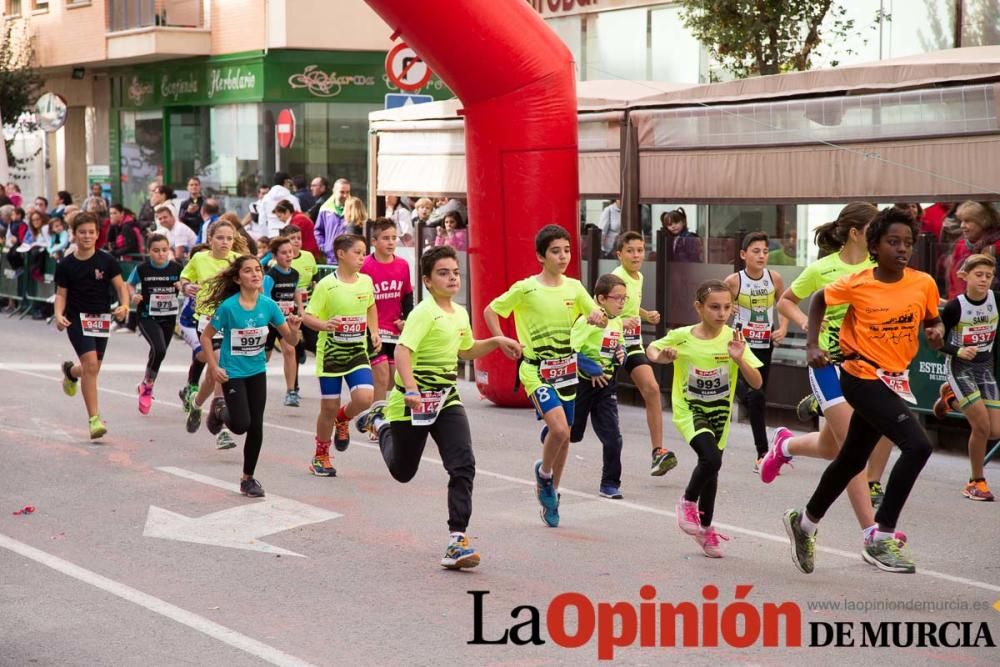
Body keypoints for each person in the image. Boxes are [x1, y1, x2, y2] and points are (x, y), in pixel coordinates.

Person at [784, 207, 944, 575]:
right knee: (918, 445)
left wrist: (935, 330)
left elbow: (931, 317)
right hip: (861, 377)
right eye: (893, 242)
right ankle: (879, 538)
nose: (902, 249)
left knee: (851, 460)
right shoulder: (857, 282)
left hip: (895, 378)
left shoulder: (923, 283)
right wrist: (811, 345)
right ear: (874, 245)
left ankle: (804, 524)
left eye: (908, 243)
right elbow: (819, 299)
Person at [365, 245, 521, 569]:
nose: (452, 278)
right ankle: (381, 423)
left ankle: (457, 540)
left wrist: (495, 342)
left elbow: (465, 350)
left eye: (455, 272)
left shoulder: (459, 312)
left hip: (446, 399)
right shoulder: (424, 313)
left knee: (463, 464)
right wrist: (410, 388)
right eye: (443, 273)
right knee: (403, 471)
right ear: (427, 280)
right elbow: (404, 352)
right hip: (413, 399)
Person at [766, 204, 896, 539]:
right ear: (855, 233)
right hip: (827, 365)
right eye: (874, 230)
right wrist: (811, 327)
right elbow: (785, 301)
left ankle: (784, 445)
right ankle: (872, 533)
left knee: (832, 448)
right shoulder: (823, 269)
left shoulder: (877, 267)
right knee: (853, 450)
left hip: (866, 365)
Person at [485, 224, 605, 527]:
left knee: (564, 439)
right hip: (535, 370)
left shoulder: (575, 288)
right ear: (541, 255)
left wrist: (597, 316)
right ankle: (544, 475)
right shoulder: (526, 289)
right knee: (561, 431)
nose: (563, 256)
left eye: (566, 250)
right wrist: (502, 340)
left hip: (566, 371)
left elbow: (600, 317)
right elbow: (491, 311)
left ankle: (552, 491)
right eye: (555, 251)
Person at [647, 280, 762, 558]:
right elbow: (652, 351)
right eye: (714, 307)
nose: (721, 313)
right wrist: (663, 355)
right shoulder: (682, 336)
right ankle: (686, 502)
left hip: (719, 414)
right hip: (690, 410)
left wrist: (740, 360)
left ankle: (706, 529)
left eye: (726, 307)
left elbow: (757, 383)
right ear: (699, 308)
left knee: (712, 471)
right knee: (711, 459)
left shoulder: (735, 340)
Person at [200, 255, 302, 498]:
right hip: (232, 372)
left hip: (257, 372)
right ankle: (219, 410)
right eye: (248, 271)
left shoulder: (269, 306)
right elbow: (206, 337)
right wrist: (214, 367)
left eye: (258, 270)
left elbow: (291, 341)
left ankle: (248, 479)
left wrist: (295, 329)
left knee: (256, 425)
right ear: (238, 278)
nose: (256, 274)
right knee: (240, 425)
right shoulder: (228, 307)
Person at [303, 234, 380, 476]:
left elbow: (370, 306)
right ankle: (321, 456)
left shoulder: (366, 281)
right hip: (331, 354)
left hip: (357, 350)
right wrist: (324, 324)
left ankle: (343, 418)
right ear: (341, 254)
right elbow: (308, 316)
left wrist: (374, 331)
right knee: (328, 406)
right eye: (358, 252)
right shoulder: (327, 284)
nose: (362, 257)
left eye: (364, 252)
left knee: (366, 398)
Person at [55, 213, 130, 439]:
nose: (87, 236)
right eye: (82, 232)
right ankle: (94, 419)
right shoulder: (65, 264)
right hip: (77, 318)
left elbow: (121, 286)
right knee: (90, 364)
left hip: (100, 318)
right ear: (74, 234)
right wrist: (58, 314)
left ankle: (70, 372)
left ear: (97, 234)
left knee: (92, 367)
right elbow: (61, 294)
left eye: (91, 232)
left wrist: (125, 306)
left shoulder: (107, 261)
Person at [611, 232, 678, 476]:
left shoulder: (638, 276)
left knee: (651, 388)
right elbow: (600, 310)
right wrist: (621, 321)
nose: (636, 255)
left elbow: (627, 306)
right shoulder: (615, 277)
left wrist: (644, 314)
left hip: (632, 343)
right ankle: (561, 429)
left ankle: (658, 452)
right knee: (596, 397)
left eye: (640, 250)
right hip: (610, 345)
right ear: (619, 254)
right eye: (630, 250)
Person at [932, 254, 999, 501]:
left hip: (985, 367)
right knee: (980, 426)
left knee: (994, 431)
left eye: (988, 276)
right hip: (960, 368)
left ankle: (950, 399)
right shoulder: (955, 307)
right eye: (978, 275)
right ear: (965, 276)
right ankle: (976, 482)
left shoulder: (995, 300)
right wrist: (957, 349)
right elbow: (935, 341)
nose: (984, 280)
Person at [723, 231, 788, 469]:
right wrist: (727, 310)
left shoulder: (775, 279)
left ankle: (763, 452)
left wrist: (783, 327)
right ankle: (763, 453)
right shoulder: (734, 281)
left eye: (765, 251)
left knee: (758, 395)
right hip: (742, 344)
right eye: (756, 251)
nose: (761, 256)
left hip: (764, 344)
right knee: (757, 394)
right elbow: (720, 306)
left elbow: (784, 305)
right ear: (743, 255)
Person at [179, 220, 240, 450]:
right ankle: (222, 428)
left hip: (232, 322)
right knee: (221, 366)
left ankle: (196, 404)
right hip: (206, 321)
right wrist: (186, 287)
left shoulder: (236, 260)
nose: (225, 242)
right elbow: (184, 278)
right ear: (210, 239)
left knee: (214, 375)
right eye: (220, 238)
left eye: (229, 238)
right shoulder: (199, 259)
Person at [569, 273, 627, 498]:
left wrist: (621, 354)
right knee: (573, 435)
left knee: (613, 437)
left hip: (606, 386)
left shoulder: (617, 321)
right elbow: (571, 351)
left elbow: (618, 346)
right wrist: (592, 369)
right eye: (618, 298)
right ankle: (556, 430)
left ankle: (609, 483)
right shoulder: (588, 320)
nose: (622, 303)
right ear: (601, 299)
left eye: (625, 298)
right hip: (582, 384)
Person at [355, 219, 413, 437]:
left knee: (392, 376)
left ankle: (377, 412)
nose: (391, 242)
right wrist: (369, 327)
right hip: (373, 331)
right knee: (380, 375)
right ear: (374, 241)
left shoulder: (403, 265)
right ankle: (377, 422)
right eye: (385, 238)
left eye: (393, 238)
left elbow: (407, 296)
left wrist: (406, 319)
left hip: (395, 331)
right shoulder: (366, 267)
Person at [128, 233, 183, 416]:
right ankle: (148, 387)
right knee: (159, 349)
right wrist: (133, 295)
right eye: (156, 250)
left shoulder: (177, 268)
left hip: (168, 317)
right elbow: (129, 284)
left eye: (165, 250)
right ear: (149, 251)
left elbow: (187, 282)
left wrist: (182, 286)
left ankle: (145, 383)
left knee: (158, 352)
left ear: (170, 250)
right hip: (147, 316)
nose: (161, 254)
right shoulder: (142, 269)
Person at [262, 236, 304, 407]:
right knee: (264, 357)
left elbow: (296, 292)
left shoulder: (294, 274)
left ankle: (291, 391)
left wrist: (300, 308)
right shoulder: (270, 276)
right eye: (284, 253)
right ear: (275, 256)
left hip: (286, 321)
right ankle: (250, 383)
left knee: (289, 350)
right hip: (270, 322)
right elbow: (265, 298)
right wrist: (272, 316)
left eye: (290, 252)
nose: (288, 256)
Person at [945, 201, 1000, 300]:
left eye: (967, 221)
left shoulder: (996, 247)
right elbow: (953, 280)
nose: (962, 225)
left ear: (982, 222)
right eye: (961, 221)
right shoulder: (961, 245)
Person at [314, 178, 351, 263]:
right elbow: (318, 230)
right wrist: (323, 246)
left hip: (350, 257)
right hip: (331, 258)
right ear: (334, 191)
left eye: (347, 192)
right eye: (342, 192)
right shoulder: (325, 209)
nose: (345, 195)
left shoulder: (354, 208)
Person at [262, 172, 301, 237]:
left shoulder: (265, 198)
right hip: (289, 235)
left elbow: (262, 221)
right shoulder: (292, 199)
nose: (291, 185)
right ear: (286, 181)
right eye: (290, 182)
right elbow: (298, 218)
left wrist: (265, 236)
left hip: (271, 233)